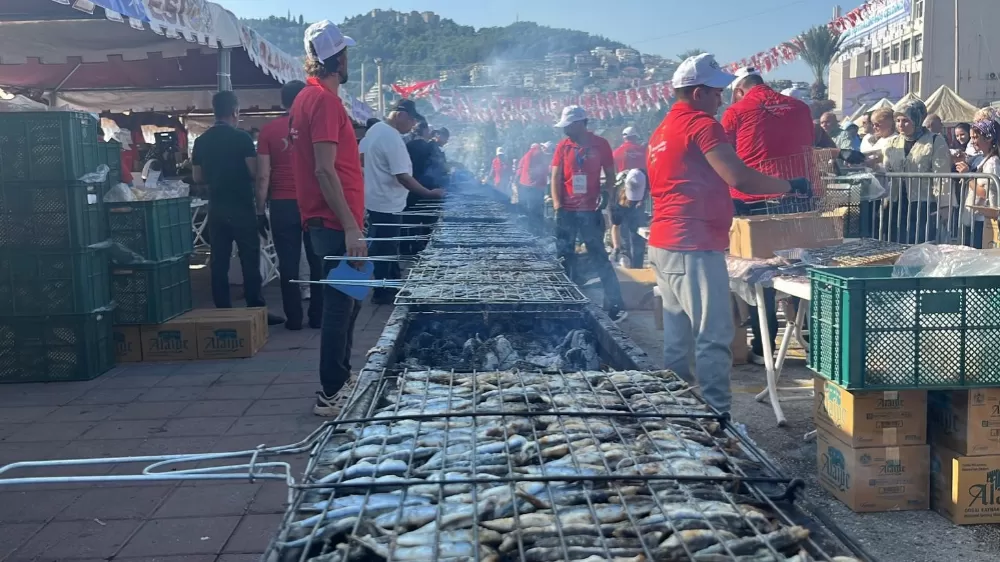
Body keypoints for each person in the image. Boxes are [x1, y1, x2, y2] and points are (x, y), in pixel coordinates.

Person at [646, 53, 808, 414]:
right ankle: (719, 420)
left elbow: (686, 182)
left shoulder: (661, 130)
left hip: (664, 243)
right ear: (699, 92)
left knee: (678, 339)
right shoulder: (701, 125)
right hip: (693, 244)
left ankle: (679, 415)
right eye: (717, 93)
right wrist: (789, 185)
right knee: (713, 337)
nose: (721, 100)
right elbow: (739, 176)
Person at [290, 20, 366, 416]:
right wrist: (352, 226)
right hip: (337, 223)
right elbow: (323, 169)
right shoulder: (325, 101)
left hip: (333, 220)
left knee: (350, 301)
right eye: (347, 53)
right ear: (338, 59)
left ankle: (343, 377)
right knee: (341, 305)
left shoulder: (306, 97)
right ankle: (332, 391)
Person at [722, 67, 814, 365]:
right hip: (800, 197)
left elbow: (724, 157)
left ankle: (764, 347)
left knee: (760, 273)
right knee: (802, 269)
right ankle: (811, 337)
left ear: (739, 90)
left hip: (754, 201)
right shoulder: (800, 108)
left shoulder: (736, 112)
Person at [192, 91, 284, 325]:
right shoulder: (242, 138)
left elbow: (198, 177)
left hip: (216, 208)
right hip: (241, 206)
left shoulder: (201, 141)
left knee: (219, 261)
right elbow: (254, 172)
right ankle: (256, 309)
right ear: (235, 111)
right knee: (249, 260)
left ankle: (223, 311)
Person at [361, 99, 444, 304]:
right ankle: (383, 293)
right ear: (400, 115)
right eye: (412, 119)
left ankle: (386, 287)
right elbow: (403, 176)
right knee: (386, 249)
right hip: (388, 203)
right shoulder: (390, 136)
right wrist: (429, 193)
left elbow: (361, 159)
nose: (413, 125)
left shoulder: (375, 130)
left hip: (375, 199)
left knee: (381, 248)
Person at [257, 80, 323, 330]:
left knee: (288, 262)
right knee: (317, 261)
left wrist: (259, 210)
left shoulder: (269, 131)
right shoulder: (313, 128)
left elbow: (263, 176)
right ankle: (317, 316)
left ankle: (294, 318)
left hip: (282, 204)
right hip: (313, 202)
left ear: (283, 101)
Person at [550, 105, 627, 322]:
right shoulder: (563, 146)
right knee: (565, 256)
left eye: (567, 126)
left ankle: (614, 304)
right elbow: (555, 178)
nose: (564, 130)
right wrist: (558, 207)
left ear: (579, 124)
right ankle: (564, 300)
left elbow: (611, 175)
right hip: (567, 211)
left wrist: (608, 197)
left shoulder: (600, 144)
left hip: (590, 211)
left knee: (599, 256)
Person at [879, 99, 952, 244]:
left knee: (920, 244)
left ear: (918, 120)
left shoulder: (934, 141)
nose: (901, 125)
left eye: (906, 120)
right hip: (896, 203)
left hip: (923, 203)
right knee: (895, 244)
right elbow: (886, 171)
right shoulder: (892, 143)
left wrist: (944, 205)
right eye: (898, 120)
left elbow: (942, 175)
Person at [956, 119, 1000, 248]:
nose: (973, 141)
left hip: (984, 220)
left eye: (976, 137)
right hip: (978, 217)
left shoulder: (993, 162)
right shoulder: (984, 159)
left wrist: (967, 176)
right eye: (971, 137)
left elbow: (986, 192)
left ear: (988, 138)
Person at [610, 169, 648, 268]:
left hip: (640, 206)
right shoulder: (617, 197)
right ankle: (624, 254)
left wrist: (641, 201)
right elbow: (616, 226)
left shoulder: (648, 179)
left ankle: (638, 266)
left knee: (638, 237)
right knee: (624, 235)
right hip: (622, 204)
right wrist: (616, 248)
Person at [517, 142, 550, 231]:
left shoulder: (530, 153)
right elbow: (532, 171)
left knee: (532, 208)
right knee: (535, 209)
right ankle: (534, 229)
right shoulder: (536, 153)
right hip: (533, 186)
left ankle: (533, 228)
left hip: (528, 185)